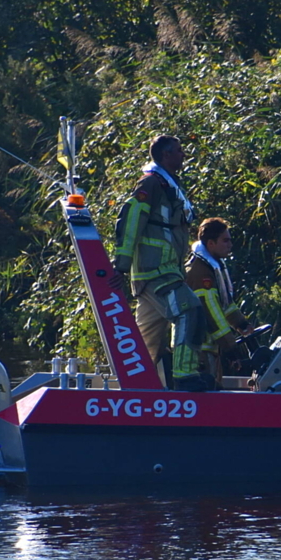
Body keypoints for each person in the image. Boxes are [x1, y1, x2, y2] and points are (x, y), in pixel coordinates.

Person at [110, 135, 207, 392]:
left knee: (147, 339)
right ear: (165, 155)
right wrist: (121, 265)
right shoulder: (152, 183)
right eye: (179, 150)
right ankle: (185, 378)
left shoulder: (169, 184)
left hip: (163, 270)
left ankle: (134, 390)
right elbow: (131, 219)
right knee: (189, 310)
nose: (183, 155)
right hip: (156, 270)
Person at [185, 217, 254, 389]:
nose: (230, 244)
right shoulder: (201, 273)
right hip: (198, 349)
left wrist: (242, 324)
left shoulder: (213, 267)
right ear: (210, 243)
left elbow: (224, 304)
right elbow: (212, 314)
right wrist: (231, 348)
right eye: (225, 240)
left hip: (208, 349)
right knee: (208, 398)